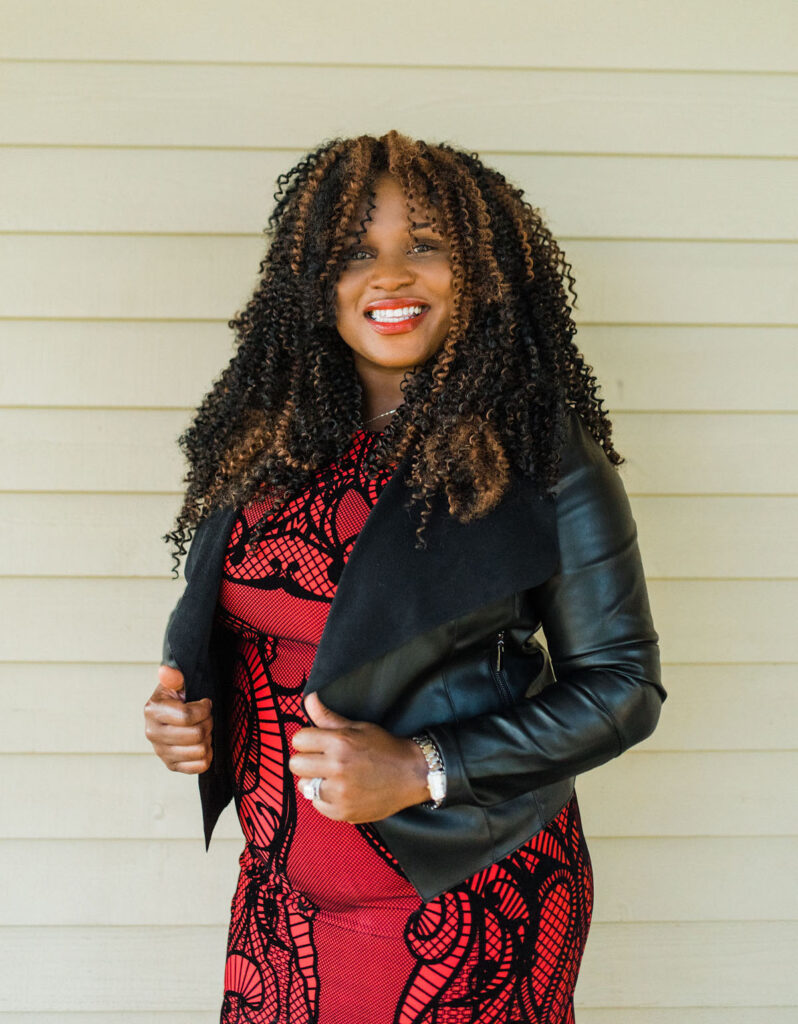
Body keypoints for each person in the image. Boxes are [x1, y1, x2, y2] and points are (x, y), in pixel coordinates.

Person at [144, 129, 666, 1024]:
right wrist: (186, 713)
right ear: (316, 281)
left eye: (425, 245)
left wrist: (424, 767)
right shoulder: (269, 440)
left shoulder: (539, 456)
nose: (389, 276)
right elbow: (256, 619)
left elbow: (622, 688)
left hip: (461, 904)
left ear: (481, 271)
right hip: (281, 906)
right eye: (355, 252)